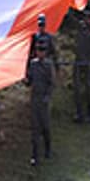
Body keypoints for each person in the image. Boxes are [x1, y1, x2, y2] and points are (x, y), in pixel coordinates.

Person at [25, 38, 55, 167]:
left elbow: (52, 83)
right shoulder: (33, 64)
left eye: (42, 50)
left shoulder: (48, 65)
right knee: (35, 128)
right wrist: (26, 80)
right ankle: (35, 155)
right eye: (38, 50)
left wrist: (47, 96)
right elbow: (30, 81)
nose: (40, 52)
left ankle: (48, 149)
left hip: (44, 99)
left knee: (46, 126)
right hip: (35, 98)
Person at [73, 23, 90, 124]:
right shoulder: (79, 31)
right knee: (77, 88)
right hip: (78, 61)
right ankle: (79, 113)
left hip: (88, 61)